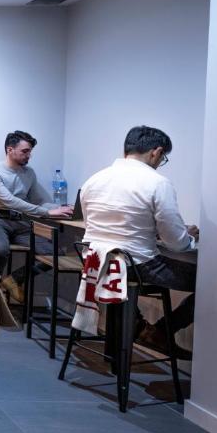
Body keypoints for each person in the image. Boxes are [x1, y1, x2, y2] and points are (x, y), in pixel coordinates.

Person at [81, 126, 198, 359]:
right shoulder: (157, 182)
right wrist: (190, 239)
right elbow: (176, 243)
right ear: (156, 152)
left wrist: (148, 231)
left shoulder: (93, 180)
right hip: (135, 266)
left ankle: (138, 327)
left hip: (96, 263)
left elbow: (95, 225)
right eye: (162, 158)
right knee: (211, 284)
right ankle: (162, 332)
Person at [0, 130, 72, 302]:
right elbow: (10, 201)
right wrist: (46, 212)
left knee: (54, 254)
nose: (29, 155)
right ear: (10, 149)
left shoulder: (29, 173)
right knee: (0, 249)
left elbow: (38, 201)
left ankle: (14, 280)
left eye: (30, 151)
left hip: (20, 221)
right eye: (25, 151)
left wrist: (63, 208)